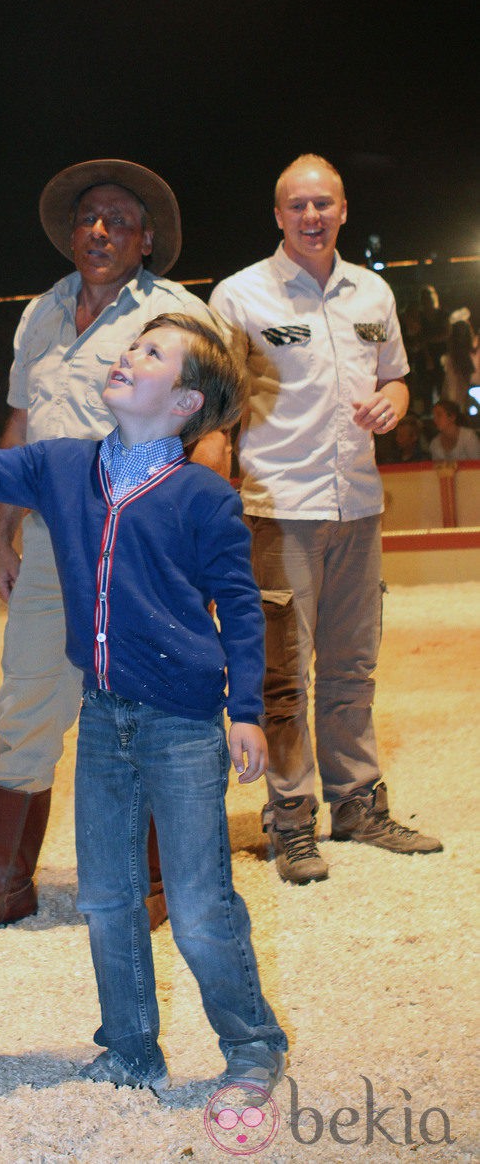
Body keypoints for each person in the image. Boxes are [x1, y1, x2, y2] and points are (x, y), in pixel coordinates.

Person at [0, 311, 289, 1094]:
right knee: (106, 897)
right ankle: (130, 1049)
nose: (129, 355)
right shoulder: (61, 467)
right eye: (131, 346)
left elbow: (240, 602)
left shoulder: (205, 498)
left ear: (186, 402)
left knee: (197, 904)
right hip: (102, 718)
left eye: (151, 352)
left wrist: (249, 710)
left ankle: (254, 1046)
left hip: (182, 727)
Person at [0, 159, 220, 943]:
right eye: (89, 217)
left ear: (147, 239)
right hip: (53, 538)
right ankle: (2, 887)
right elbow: (20, 426)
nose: (100, 230)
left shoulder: (179, 314)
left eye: (119, 220)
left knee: (149, 705)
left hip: (140, 539)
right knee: (26, 701)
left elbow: (215, 433)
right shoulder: (41, 314)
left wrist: (198, 545)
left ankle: (161, 886)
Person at [210, 155, 442, 884]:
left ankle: (358, 805)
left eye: (324, 204)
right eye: (297, 205)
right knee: (281, 674)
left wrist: (396, 404)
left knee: (353, 666)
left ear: (344, 210)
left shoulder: (372, 292)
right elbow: (215, 408)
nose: (312, 216)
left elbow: (398, 379)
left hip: (359, 506)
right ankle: (290, 822)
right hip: (277, 511)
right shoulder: (239, 295)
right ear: (277, 216)